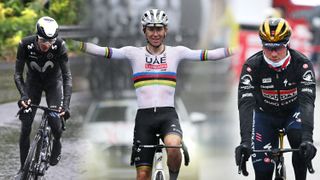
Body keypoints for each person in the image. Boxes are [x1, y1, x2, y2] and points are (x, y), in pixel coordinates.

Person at [78, 8, 234, 180]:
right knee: (143, 175)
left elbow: (209, 55)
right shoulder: (133, 53)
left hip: (168, 116)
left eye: (159, 29)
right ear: (144, 30)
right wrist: (76, 45)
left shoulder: (177, 52)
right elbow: (104, 51)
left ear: (165, 30)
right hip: (144, 119)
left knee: (173, 146)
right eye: (151, 29)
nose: (155, 33)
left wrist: (234, 49)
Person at [235, 17, 317, 180]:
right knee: (262, 172)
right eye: (268, 47)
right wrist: (244, 142)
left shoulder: (302, 65)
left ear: (287, 44)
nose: (273, 53)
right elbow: (245, 104)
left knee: (299, 141)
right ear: (262, 44)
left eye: (278, 47)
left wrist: (308, 139)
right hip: (265, 116)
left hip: (293, 113)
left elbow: (307, 103)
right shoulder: (252, 67)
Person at [14, 16, 72, 176]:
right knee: (26, 125)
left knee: (55, 120)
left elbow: (67, 77)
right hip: (33, 83)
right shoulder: (25, 44)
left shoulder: (60, 45)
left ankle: (57, 141)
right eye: (44, 41)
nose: (47, 45)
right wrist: (24, 96)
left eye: (51, 41)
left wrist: (65, 105)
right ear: (37, 37)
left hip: (54, 84)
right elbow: (18, 74)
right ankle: (22, 169)